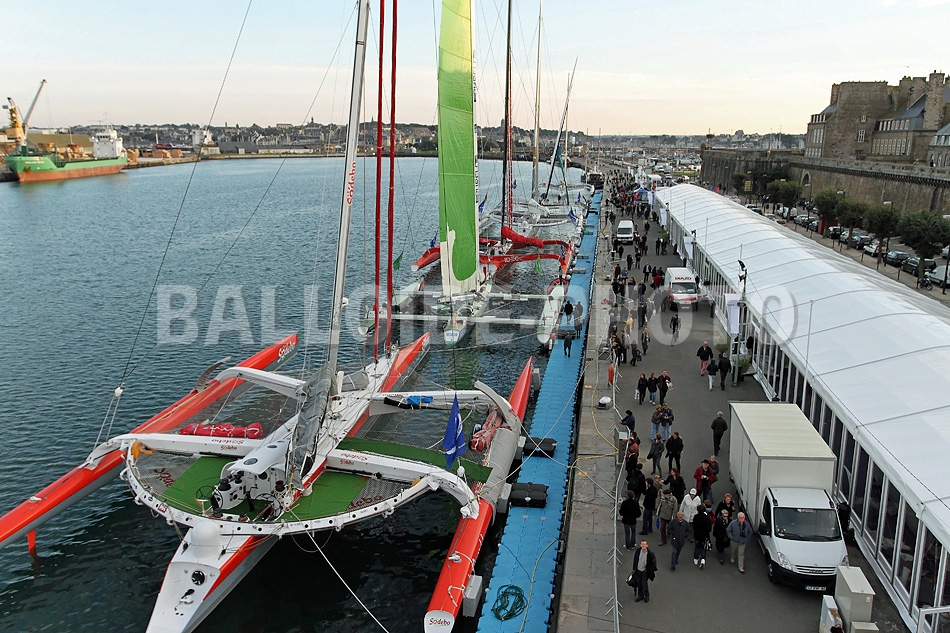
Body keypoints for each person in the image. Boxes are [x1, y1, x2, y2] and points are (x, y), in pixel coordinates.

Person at [692, 502, 712, 568]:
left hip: (697, 535)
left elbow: (694, 527)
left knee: (697, 547)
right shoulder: (707, 518)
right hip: (704, 536)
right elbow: (709, 529)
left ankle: (696, 559)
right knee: (703, 548)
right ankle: (703, 559)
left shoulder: (696, 517)